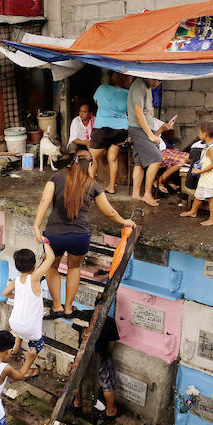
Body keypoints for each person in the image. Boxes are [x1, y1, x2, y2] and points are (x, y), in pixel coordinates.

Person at [33, 157, 135, 319]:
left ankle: (57, 307)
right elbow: (109, 212)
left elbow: (44, 201)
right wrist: (124, 221)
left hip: (55, 235)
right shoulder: (93, 185)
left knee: (52, 267)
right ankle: (68, 309)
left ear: (71, 164)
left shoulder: (56, 178)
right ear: (90, 166)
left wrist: (37, 227)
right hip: (80, 236)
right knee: (74, 268)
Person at [3, 243, 56, 363]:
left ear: (17, 267)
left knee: (21, 328)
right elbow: (51, 258)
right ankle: (28, 364)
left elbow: (5, 293)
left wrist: (18, 297)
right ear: (35, 265)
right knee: (37, 345)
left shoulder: (16, 280)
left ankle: (16, 347)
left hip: (14, 324)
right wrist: (46, 241)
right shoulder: (35, 277)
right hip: (30, 329)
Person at [90, 72, 132, 194]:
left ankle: (91, 188)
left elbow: (96, 102)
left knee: (93, 158)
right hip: (121, 130)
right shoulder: (128, 94)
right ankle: (111, 187)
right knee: (113, 158)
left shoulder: (102, 88)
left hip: (102, 127)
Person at [126, 77, 164, 206]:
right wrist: (150, 135)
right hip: (139, 129)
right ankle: (147, 194)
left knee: (139, 162)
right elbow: (138, 112)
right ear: (150, 77)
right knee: (157, 158)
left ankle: (136, 193)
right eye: (158, 81)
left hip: (143, 128)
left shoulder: (146, 87)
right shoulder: (139, 85)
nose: (158, 83)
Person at [73, 316, 120, 418]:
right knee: (107, 383)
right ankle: (110, 410)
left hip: (82, 356)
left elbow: (79, 335)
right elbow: (112, 343)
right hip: (101, 357)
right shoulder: (109, 321)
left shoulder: (83, 315)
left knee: (77, 380)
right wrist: (107, 353)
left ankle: (77, 401)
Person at [181, 120, 213, 226]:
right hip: (205, 177)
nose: (198, 134)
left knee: (211, 198)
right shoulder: (208, 146)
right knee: (199, 195)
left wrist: (200, 171)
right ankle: (193, 211)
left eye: (199, 132)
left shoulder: (212, 148)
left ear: (205, 134)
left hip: (210, 178)